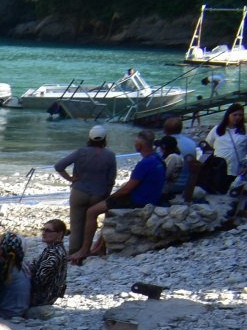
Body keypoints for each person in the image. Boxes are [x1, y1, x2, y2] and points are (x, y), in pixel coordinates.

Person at [72, 130, 165, 264]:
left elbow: (128, 188)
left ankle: (84, 249)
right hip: (152, 198)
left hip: (137, 200)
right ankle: (100, 246)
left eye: (135, 143)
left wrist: (111, 197)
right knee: (108, 211)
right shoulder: (158, 158)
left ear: (139, 145)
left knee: (92, 211)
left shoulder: (144, 164)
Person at [52, 126, 117, 255]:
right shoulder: (110, 155)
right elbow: (111, 179)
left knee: (76, 225)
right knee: (91, 222)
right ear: (105, 139)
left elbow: (59, 166)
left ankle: (74, 252)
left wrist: (70, 179)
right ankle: (86, 249)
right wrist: (106, 194)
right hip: (98, 194)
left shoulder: (81, 152)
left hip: (79, 192)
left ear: (90, 138)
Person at [203, 104, 247, 194]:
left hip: (237, 167)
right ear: (228, 115)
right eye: (235, 115)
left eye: (240, 115)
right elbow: (208, 144)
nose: (237, 117)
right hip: (219, 167)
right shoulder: (217, 129)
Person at [28, 220, 69, 309]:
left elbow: (41, 280)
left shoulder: (53, 253)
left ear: (60, 234)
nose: (44, 233)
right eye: (43, 230)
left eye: (48, 231)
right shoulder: (54, 249)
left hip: (41, 298)